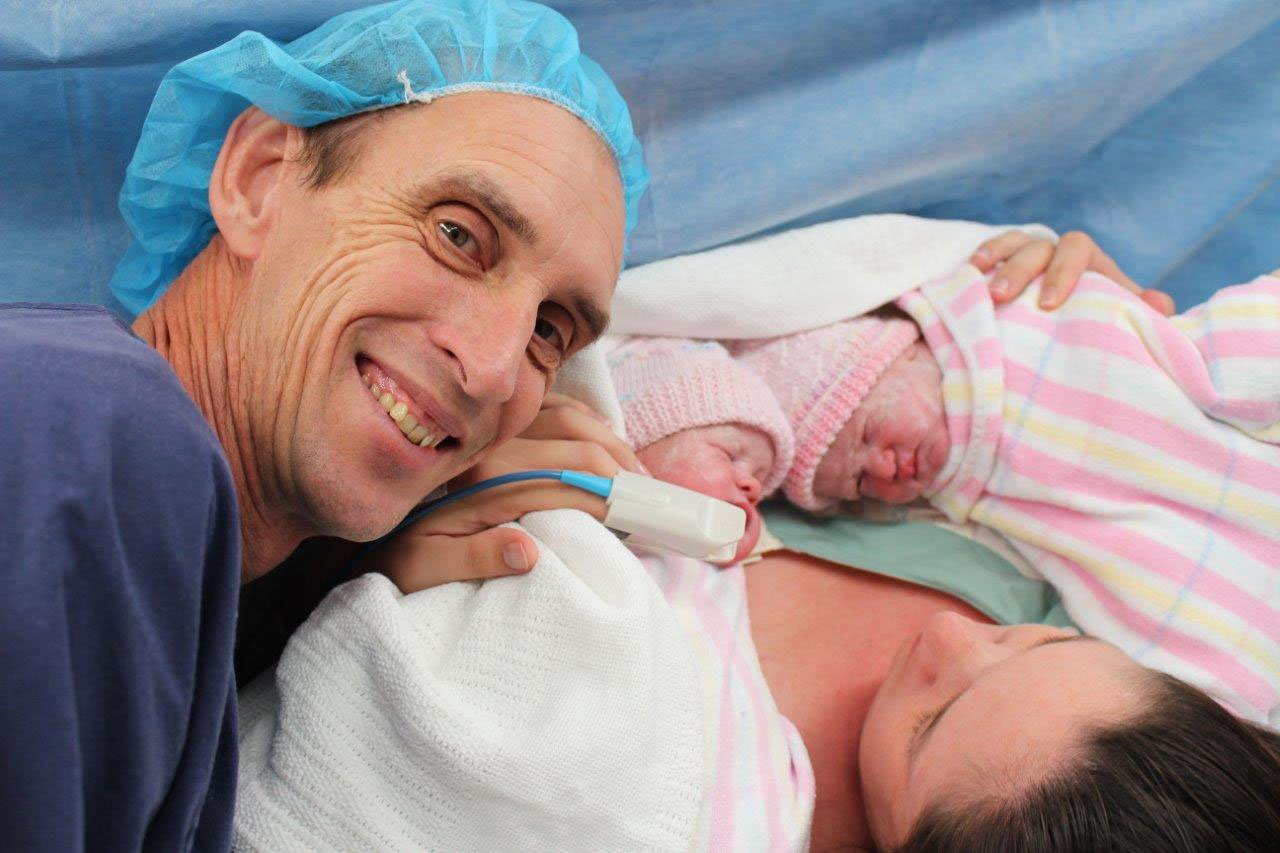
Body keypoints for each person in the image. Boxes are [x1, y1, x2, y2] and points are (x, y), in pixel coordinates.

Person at [0, 2, 1177, 850]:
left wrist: (1096, 346)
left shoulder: (206, 583)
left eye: (553, 331)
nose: (491, 364)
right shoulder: (92, 432)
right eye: (457, 234)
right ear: (258, 177)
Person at [608, 306, 1280, 850]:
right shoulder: (1080, 589)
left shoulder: (710, 802)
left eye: (929, 722)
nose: (947, 632)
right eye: (1039, 642)